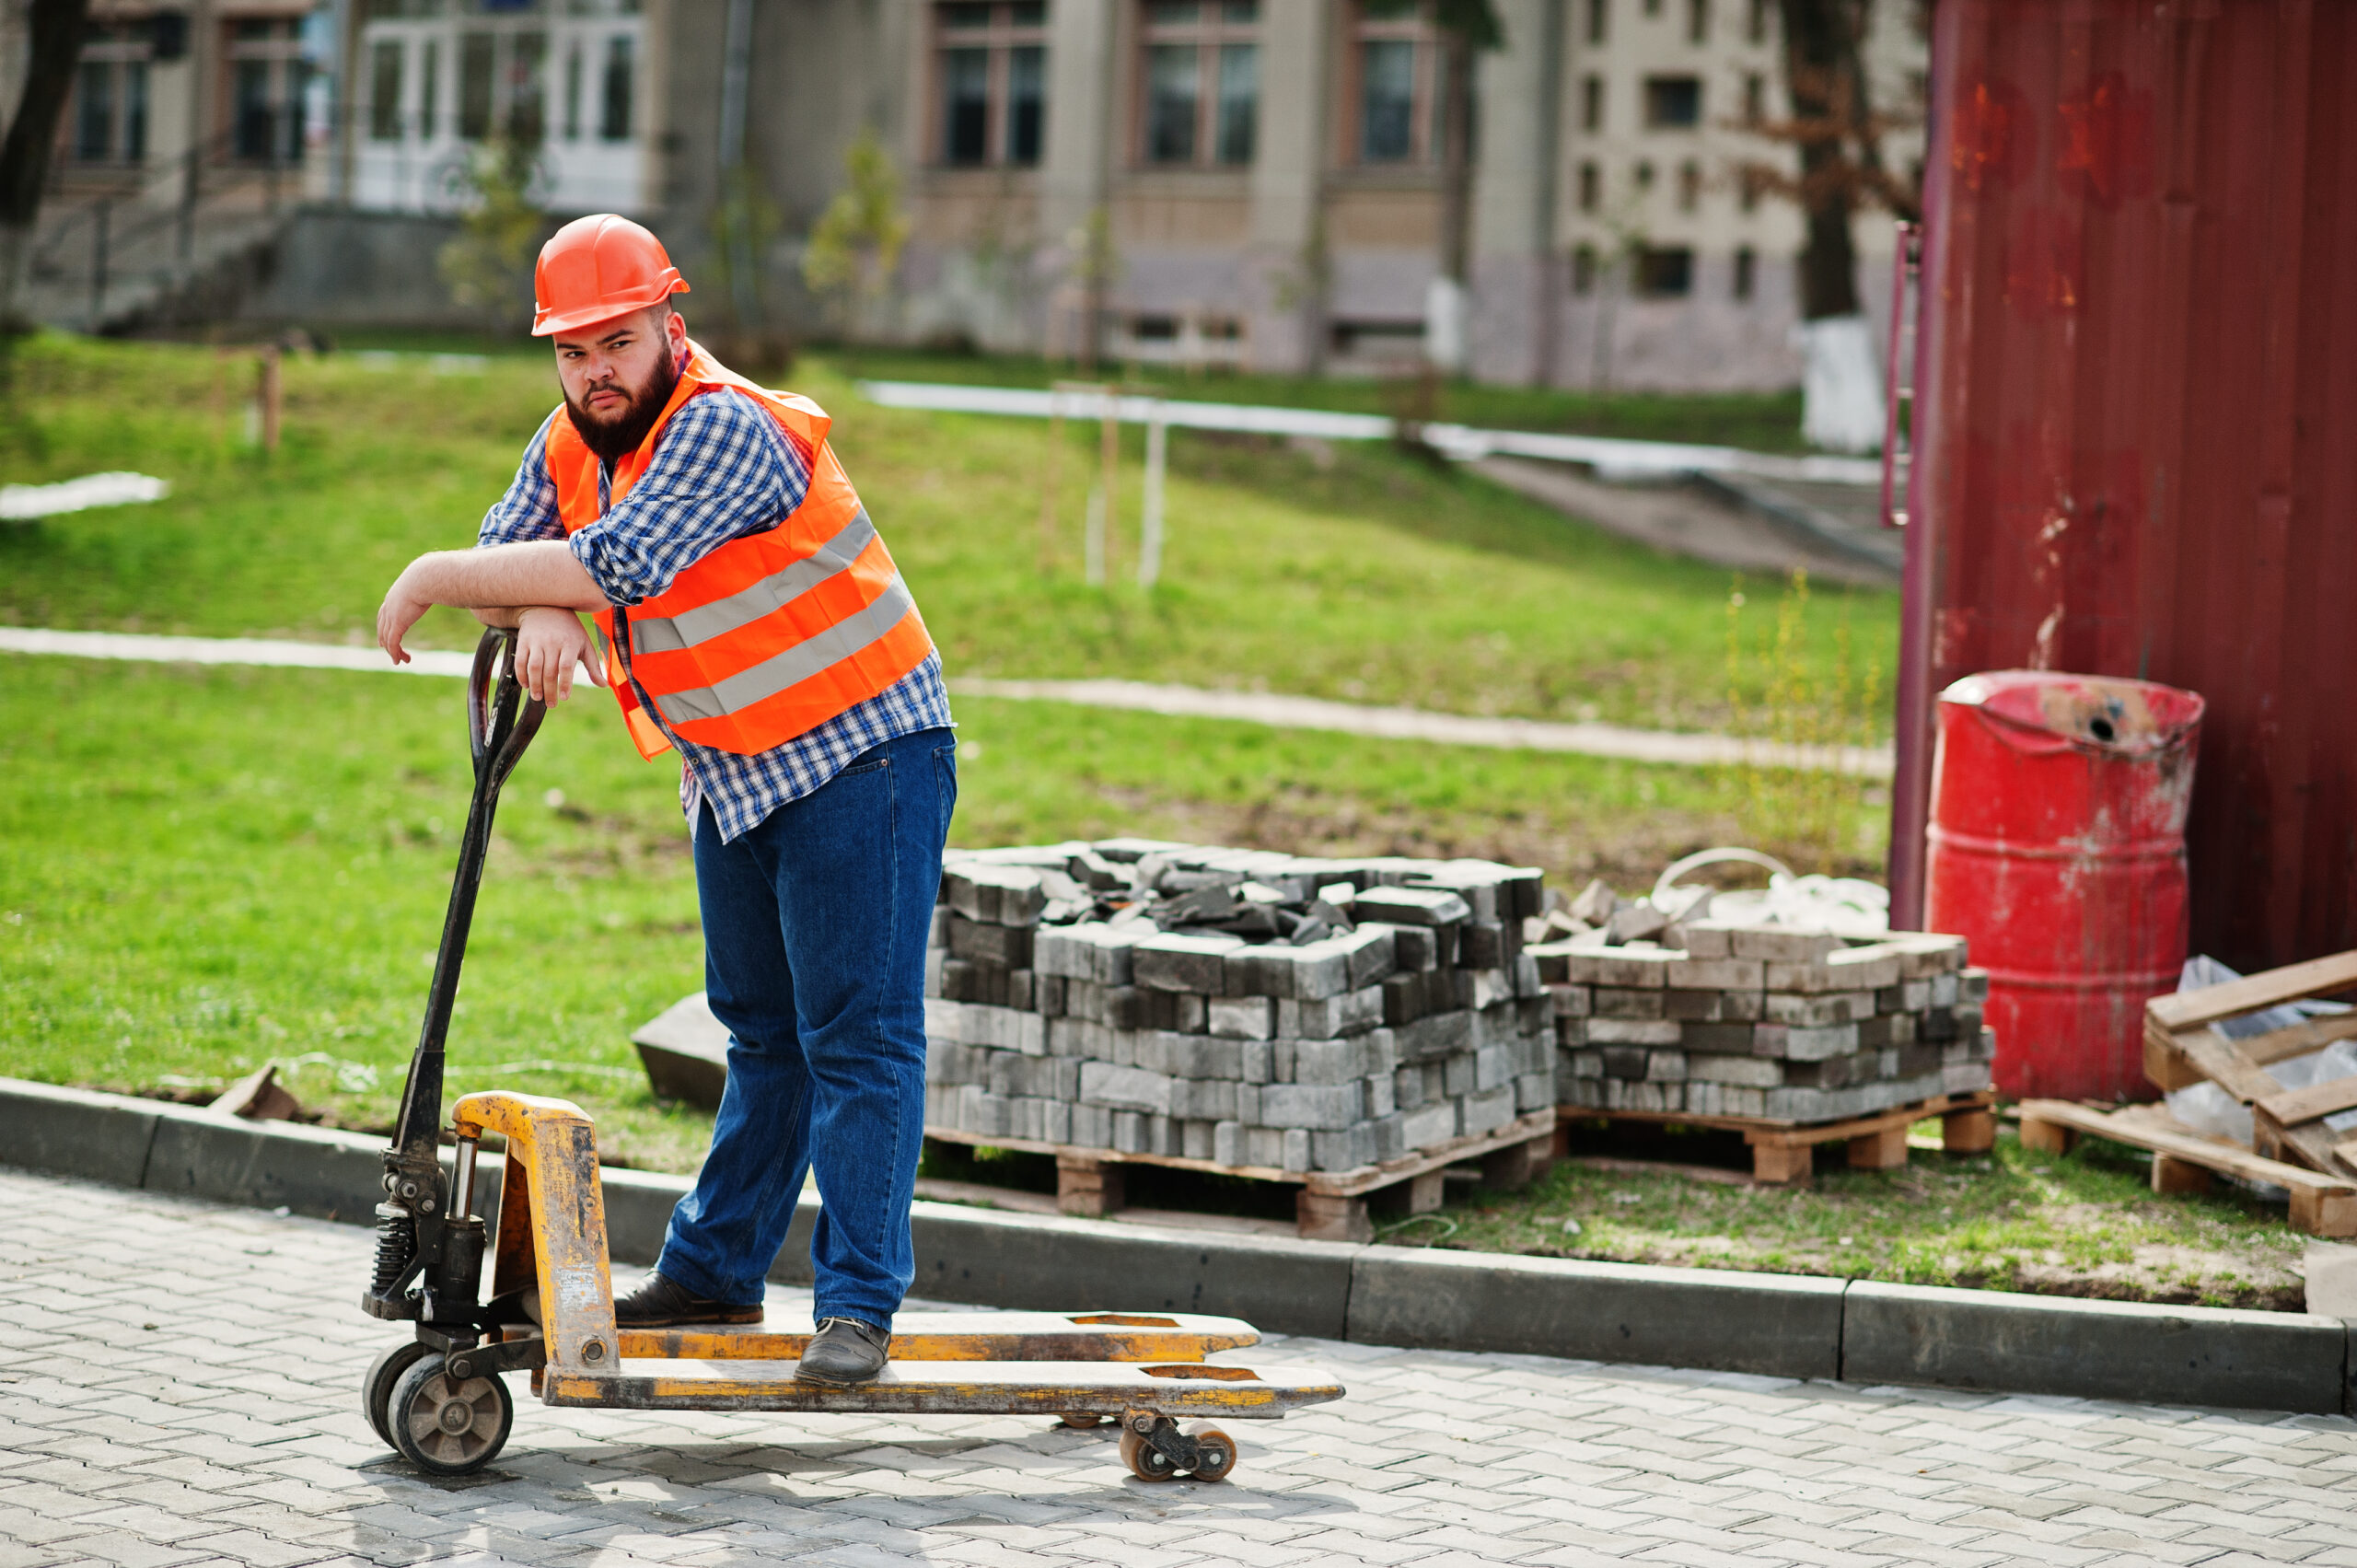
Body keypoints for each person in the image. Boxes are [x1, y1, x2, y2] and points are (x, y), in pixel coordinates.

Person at [375, 214, 955, 1386]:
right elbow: (520, 549)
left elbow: (601, 564)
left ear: (668, 328)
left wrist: (451, 579)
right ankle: (717, 1269)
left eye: (617, 343)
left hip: (863, 752)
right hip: (736, 771)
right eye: (571, 351)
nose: (596, 372)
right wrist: (537, 608)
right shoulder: (573, 440)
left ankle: (855, 1307)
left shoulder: (725, 427)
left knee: (857, 1038)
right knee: (762, 1031)